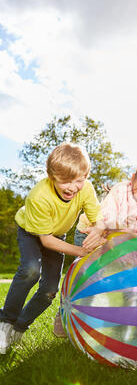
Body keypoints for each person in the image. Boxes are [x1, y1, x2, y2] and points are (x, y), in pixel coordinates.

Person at [0, 142, 105, 354]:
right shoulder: (39, 197)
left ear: (85, 176)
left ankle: (20, 327)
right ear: (51, 176)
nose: (72, 187)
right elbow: (46, 241)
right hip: (32, 232)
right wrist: (81, 252)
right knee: (30, 270)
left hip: (57, 234)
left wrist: (100, 229)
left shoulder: (86, 189)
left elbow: (98, 219)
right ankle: (5, 322)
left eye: (79, 180)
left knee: (49, 291)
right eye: (64, 181)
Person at [52, 159, 137, 338]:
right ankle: (64, 313)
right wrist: (124, 225)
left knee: (129, 276)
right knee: (85, 274)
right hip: (92, 233)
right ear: (133, 177)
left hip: (122, 240)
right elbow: (105, 217)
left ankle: (132, 319)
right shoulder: (121, 190)